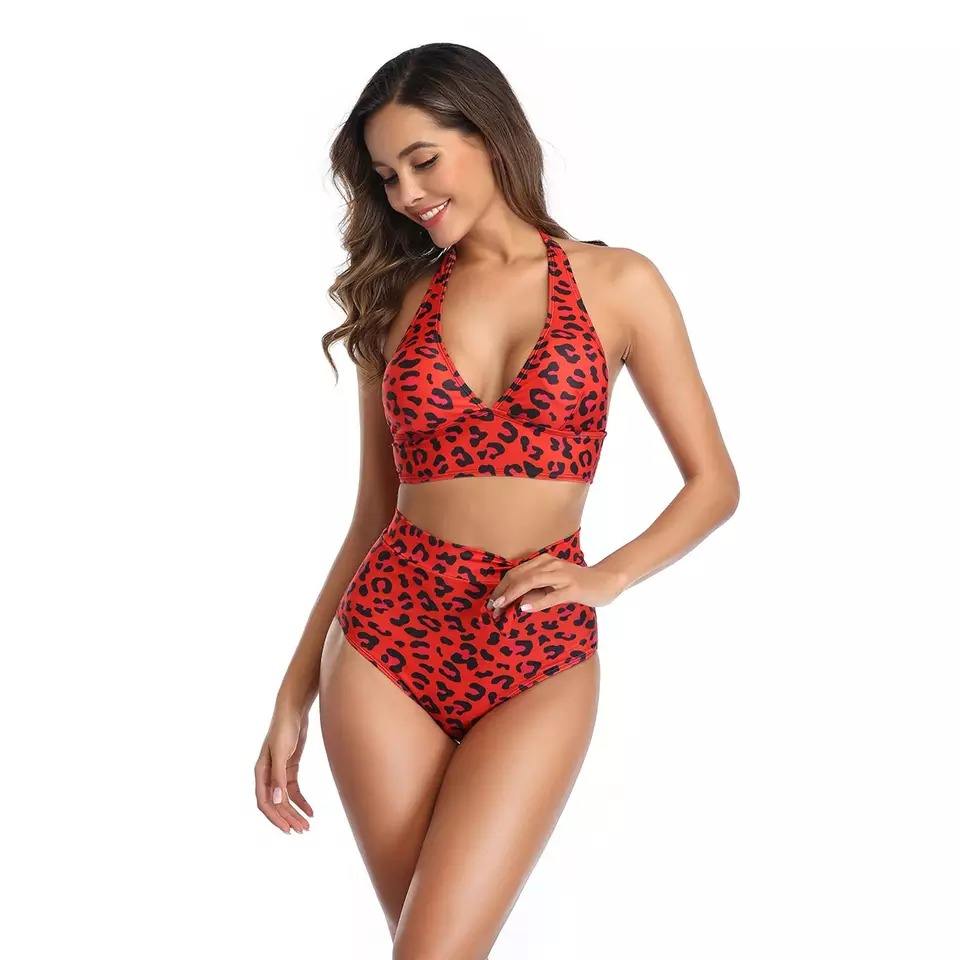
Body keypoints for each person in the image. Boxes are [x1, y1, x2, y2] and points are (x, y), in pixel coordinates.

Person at [255, 42, 739, 958]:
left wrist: (609, 578)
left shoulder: (619, 282)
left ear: (489, 134)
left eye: (423, 161)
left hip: (539, 649)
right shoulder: (396, 302)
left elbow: (714, 482)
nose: (407, 194)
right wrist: (294, 693)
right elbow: (371, 516)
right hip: (386, 642)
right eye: (387, 177)